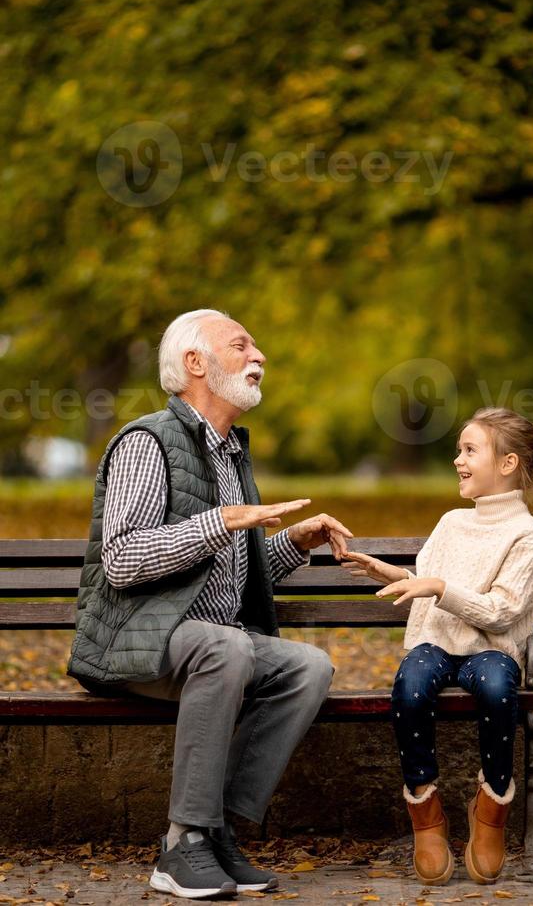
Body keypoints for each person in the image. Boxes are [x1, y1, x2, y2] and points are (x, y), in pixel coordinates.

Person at [67, 308, 352, 901]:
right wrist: (218, 521)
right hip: (133, 638)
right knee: (225, 645)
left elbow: (227, 574)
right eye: (242, 345)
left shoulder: (230, 455)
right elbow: (122, 560)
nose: (260, 357)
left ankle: (215, 833)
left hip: (205, 644)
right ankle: (181, 844)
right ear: (195, 363)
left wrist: (294, 543)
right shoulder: (148, 443)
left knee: (308, 666)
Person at [341, 407, 533, 886]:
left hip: (491, 649)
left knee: (496, 688)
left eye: (470, 450)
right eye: (458, 450)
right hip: (437, 643)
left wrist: (439, 587)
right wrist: (393, 574)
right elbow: (428, 584)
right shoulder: (451, 522)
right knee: (410, 684)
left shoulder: (525, 534)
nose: (457, 460)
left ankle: (490, 807)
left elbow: (503, 611)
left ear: (507, 464)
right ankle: (425, 808)